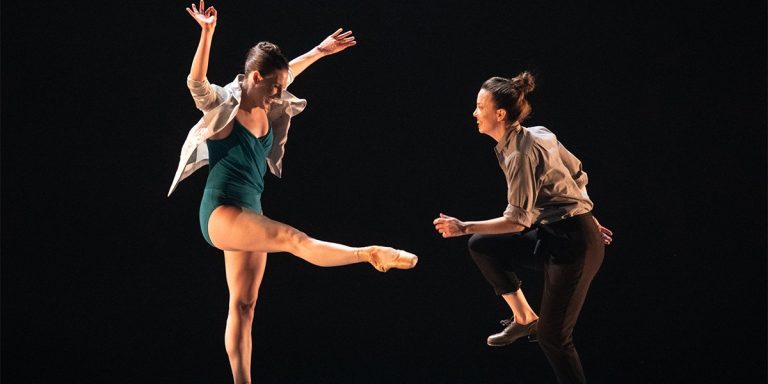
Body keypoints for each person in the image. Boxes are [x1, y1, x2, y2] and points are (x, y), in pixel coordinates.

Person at [169, 2, 417, 382]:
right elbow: (196, 84)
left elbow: (289, 74)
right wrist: (207, 34)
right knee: (291, 238)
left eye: (282, 88)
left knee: (245, 305)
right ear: (255, 77)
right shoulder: (224, 106)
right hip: (221, 211)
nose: (279, 94)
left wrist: (319, 51)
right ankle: (369, 254)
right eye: (274, 87)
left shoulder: (266, 97)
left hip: (249, 210)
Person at [433, 71, 612, 384]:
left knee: (553, 337)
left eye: (480, 107)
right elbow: (577, 174)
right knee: (482, 245)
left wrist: (463, 226)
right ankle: (524, 317)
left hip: (574, 247)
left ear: (500, 114)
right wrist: (589, 214)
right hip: (555, 235)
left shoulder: (520, 153)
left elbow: (518, 220)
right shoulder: (536, 133)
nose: (474, 113)